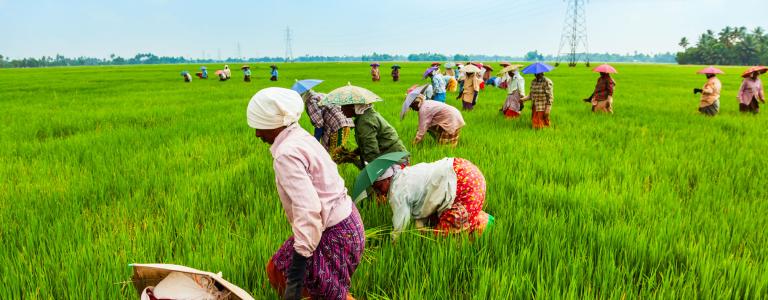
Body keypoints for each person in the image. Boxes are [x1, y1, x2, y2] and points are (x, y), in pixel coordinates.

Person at [247, 87, 365, 300]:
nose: (257, 134)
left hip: (334, 234)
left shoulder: (286, 154)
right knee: (276, 269)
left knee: (322, 292)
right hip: (348, 224)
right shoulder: (300, 136)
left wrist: (298, 266)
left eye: (260, 127)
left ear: (276, 123)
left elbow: (309, 210)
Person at [371, 157, 492, 239]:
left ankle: (486, 227)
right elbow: (421, 205)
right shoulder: (404, 173)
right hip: (462, 169)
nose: (379, 191)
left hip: (464, 185)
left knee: (444, 237)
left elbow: (401, 224)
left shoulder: (396, 191)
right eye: (375, 188)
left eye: (379, 186)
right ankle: (486, 222)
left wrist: (394, 241)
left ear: (387, 179)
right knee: (437, 221)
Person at [302, 90, 359, 166]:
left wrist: (315, 143)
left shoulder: (311, 101)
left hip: (337, 125)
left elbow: (319, 124)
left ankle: (355, 163)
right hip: (345, 123)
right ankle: (348, 162)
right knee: (336, 152)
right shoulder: (321, 95)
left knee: (334, 156)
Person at [340, 103, 407, 165]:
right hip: (397, 155)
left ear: (353, 107)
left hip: (394, 160)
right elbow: (367, 143)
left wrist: (353, 160)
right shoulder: (368, 114)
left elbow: (372, 155)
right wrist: (353, 153)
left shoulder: (365, 122)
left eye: (343, 106)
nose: (341, 110)